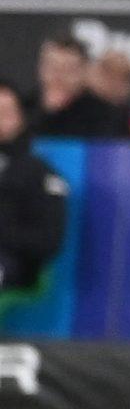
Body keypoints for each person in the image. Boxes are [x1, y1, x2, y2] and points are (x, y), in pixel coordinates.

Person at [0, 79, 69, 293]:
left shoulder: (39, 174)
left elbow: (48, 241)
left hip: (14, 262)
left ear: (20, 118)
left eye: (5, 113)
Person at [32, 32, 126, 139]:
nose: (58, 76)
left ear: (84, 73)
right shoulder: (24, 108)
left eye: (68, 69)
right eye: (52, 67)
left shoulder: (103, 116)